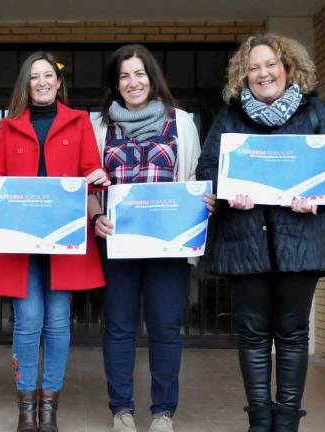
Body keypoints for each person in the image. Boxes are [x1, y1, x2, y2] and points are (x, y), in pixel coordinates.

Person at [196, 34, 325, 432]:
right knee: (251, 336)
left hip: (301, 242)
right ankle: (259, 419)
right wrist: (228, 192)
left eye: (270, 65)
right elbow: (206, 169)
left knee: (292, 334)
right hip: (244, 240)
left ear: (287, 67)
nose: (263, 73)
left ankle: (286, 420)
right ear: (243, 75)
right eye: (253, 67)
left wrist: (318, 196)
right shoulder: (229, 116)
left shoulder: (316, 110)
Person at [0, 51, 110, 432]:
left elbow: (90, 172)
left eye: (49, 76)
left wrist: (96, 176)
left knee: (58, 323)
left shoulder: (79, 123)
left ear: (59, 83)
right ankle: (26, 409)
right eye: (34, 77)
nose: (42, 82)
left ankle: (49, 410)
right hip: (20, 242)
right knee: (27, 323)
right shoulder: (9, 129)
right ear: (25, 86)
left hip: (65, 241)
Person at [88, 44, 208, 432]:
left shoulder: (182, 122)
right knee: (119, 327)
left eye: (139, 73)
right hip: (117, 244)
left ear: (152, 78)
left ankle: (163, 412)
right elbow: (88, 183)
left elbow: (191, 179)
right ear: (116, 83)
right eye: (124, 75)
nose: (133, 81)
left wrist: (202, 201)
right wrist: (96, 216)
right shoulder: (99, 125)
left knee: (165, 328)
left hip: (167, 246)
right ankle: (121, 409)